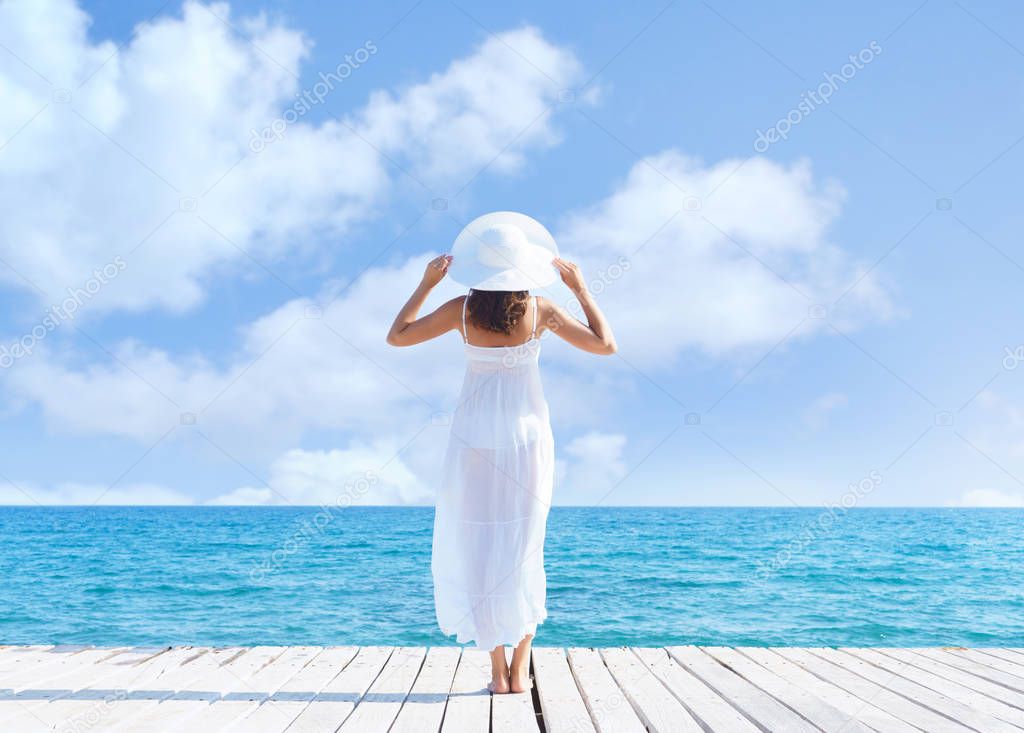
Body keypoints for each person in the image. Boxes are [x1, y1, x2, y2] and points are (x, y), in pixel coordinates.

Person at [386, 211, 616, 694]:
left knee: (479, 549)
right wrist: (581, 289)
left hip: (473, 439)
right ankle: (520, 667)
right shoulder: (543, 309)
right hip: (527, 439)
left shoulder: (460, 310)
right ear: (522, 264)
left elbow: (398, 336)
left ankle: (495, 673)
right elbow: (604, 346)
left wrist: (426, 284)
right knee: (524, 547)